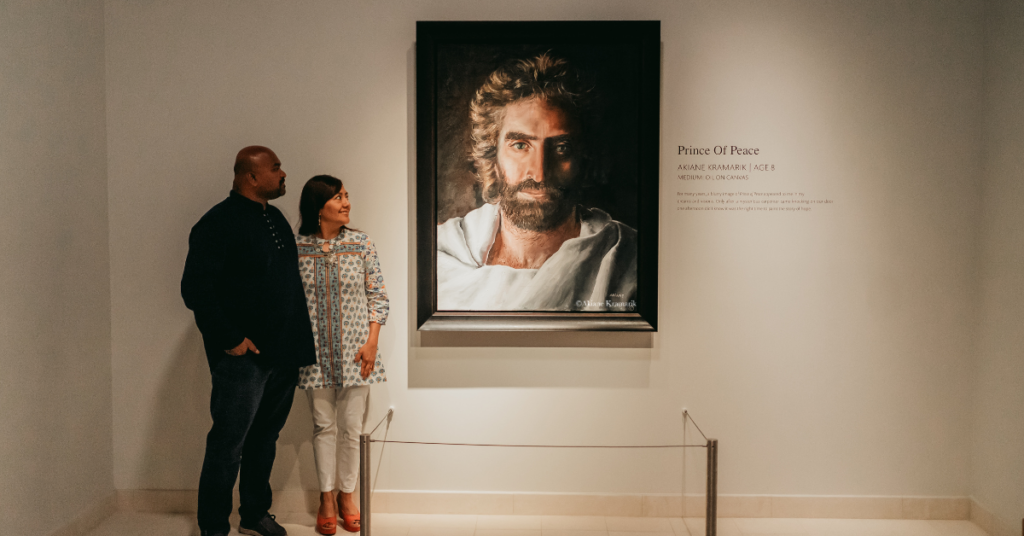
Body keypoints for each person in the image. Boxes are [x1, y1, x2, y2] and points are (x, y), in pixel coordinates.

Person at [181, 146, 316, 536]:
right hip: (243, 360)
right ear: (250, 176)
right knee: (228, 445)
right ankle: (213, 528)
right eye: (275, 168)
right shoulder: (216, 224)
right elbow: (196, 290)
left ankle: (254, 514)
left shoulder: (273, 216)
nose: (283, 173)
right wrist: (231, 339)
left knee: (264, 439)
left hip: (282, 355)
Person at [436, 52, 637, 312]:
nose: (540, 173)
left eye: (562, 147)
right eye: (520, 145)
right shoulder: (444, 255)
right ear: (492, 154)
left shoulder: (625, 257)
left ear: (583, 158)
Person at [294, 175, 389, 534]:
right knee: (323, 426)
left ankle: (348, 496)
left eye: (347, 196)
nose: (346, 202)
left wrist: (372, 342)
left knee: (352, 429)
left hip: (357, 353)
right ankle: (326, 498)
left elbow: (378, 296)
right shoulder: (297, 246)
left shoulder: (362, 244)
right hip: (313, 354)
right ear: (319, 208)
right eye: (338, 198)